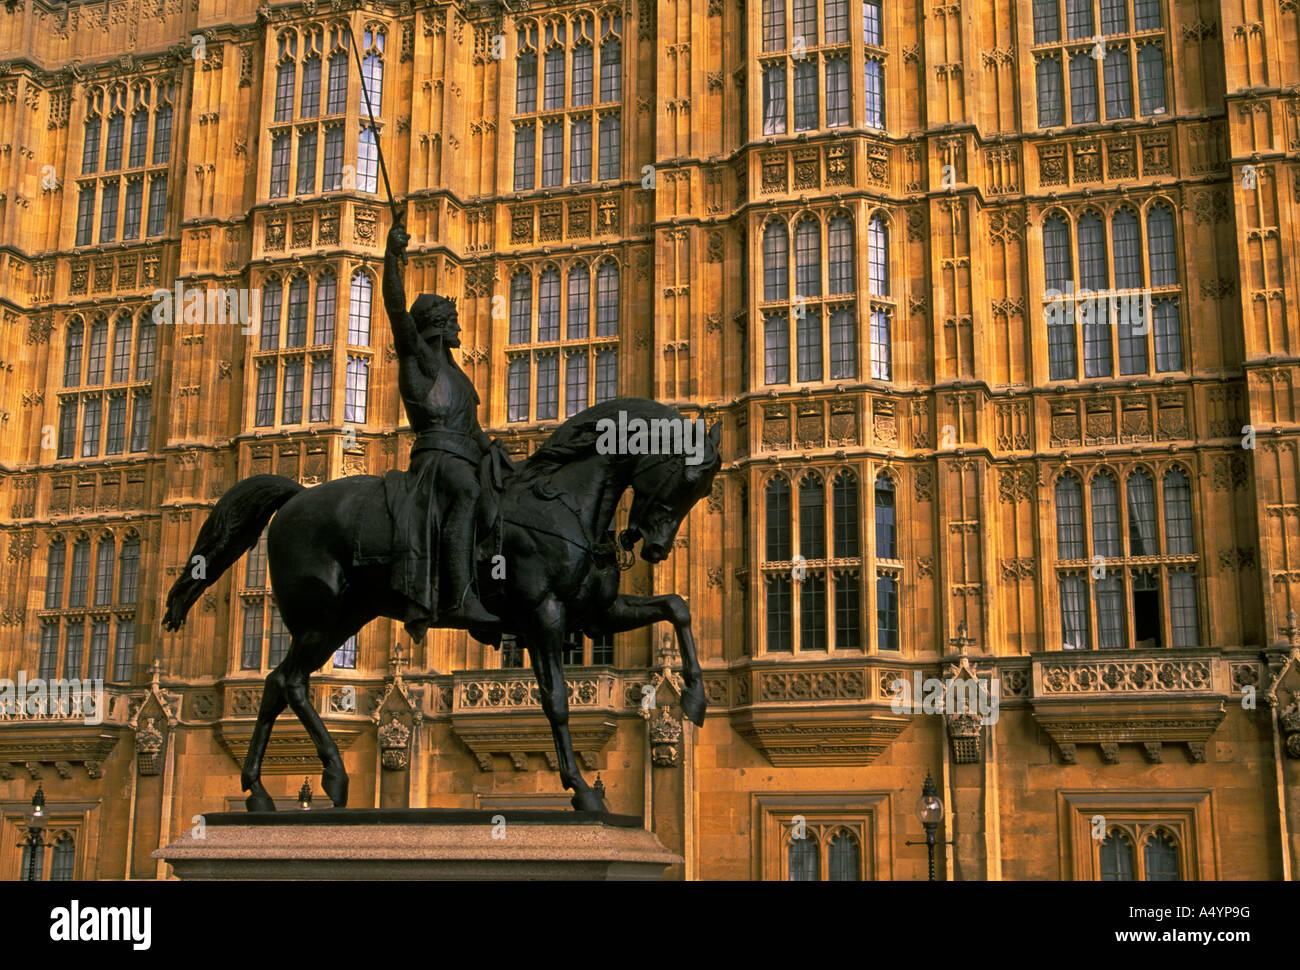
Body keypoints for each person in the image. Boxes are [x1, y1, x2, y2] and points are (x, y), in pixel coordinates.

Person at [382, 216, 500, 631]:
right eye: (451, 321)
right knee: (467, 492)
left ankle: (496, 586)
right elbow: (396, 308)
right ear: (434, 325)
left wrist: (493, 449)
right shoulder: (420, 357)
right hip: (437, 460)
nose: (460, 327)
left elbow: (472, 430)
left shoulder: (458, 378)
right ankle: (459, 598)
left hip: (464, 454)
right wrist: (392, 256)